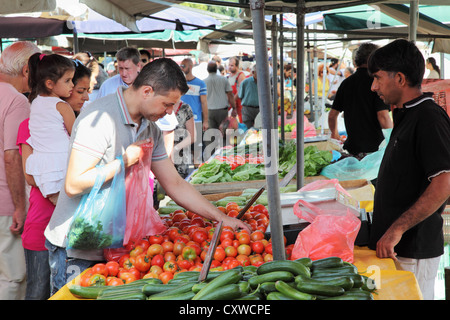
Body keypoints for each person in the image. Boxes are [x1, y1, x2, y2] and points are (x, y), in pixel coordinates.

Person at [44, 58, 250, 294]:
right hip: (77, 249)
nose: (170, 112)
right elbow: (73, 184)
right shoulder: (98, 119)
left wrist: (221, 218)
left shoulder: (150, 127)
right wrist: (123, 162)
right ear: (147, 91)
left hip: (114, 246)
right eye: (167, 104)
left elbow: (174, 183)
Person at [367, 39, 450, 300]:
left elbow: (444, 183)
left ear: (400, 78)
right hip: (398, 248)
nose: (373, 86)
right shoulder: (406, 114)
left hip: (414, 248)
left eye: (378, 78)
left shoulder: (428, 118)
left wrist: (397, 229)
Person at [17, 61, 91, 300]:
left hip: (77, 232)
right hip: (42, 227)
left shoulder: (83, 124)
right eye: (79, 90)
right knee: (39, 291)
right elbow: (30, 176)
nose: (84, 96)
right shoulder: (30, 125)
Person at [0, 41, 40, 300]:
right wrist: (19, 206)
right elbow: (12, 156)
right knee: (12, 277)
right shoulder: (16, 100)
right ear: (27, 70)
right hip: (5, 204)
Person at [26, 53, 76, 206]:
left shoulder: (35, 103)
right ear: (50, 84)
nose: (72, 85)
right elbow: (76, 135)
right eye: (68, 81)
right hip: (62, 166)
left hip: (42, 169)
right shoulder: (62, 106)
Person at [328, 43, 393, 158]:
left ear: (356, 61)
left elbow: (332, 115)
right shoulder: (377, 83)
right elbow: (383, 117)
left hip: (352, 150)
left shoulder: (346, 83)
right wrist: (393, 142)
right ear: (374, 60)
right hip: (375, 151)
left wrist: (334, 134)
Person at [180, 58, 208, 163]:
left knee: (197, 148)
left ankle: (196, 171)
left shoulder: (200, 83)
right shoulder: (179, 83)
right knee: (183, 148)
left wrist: (206, 121)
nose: (181, 68)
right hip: (181, 121)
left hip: (196, 120)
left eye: (183, 66)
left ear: (190, 67)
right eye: (181, 66)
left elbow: (204, 103)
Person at [204, 61, 236, 131]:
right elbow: (230, 95)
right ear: (216, 69)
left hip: (210, 111)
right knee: (224, 131)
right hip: (222, 110)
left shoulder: (204, 82)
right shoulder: (224, 79)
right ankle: (224, 142)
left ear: (207, 70)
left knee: (212, 133)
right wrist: (234, 108)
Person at [172, 102, 196, 179]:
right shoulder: (158, 107)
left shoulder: (185, 108)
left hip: (181, 158)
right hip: (162, 158)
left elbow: (192, 136)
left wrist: (175, 149)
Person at [239, 64, 260, 129]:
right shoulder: (245, 82)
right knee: (247, 129)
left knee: (260, 128)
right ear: (253, 72)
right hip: (247, 109)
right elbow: (240, 96)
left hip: (259, 109)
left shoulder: (264, 83)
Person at [227, 56, 246, 123]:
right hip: (231, 103)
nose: (229, 67)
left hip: (239, 104)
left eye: (232, 65)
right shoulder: (229, 76)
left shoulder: (240, 75)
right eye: (229, 65)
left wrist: (232, 101)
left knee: (240, 122)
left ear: (237, 66)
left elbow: (240, 90)